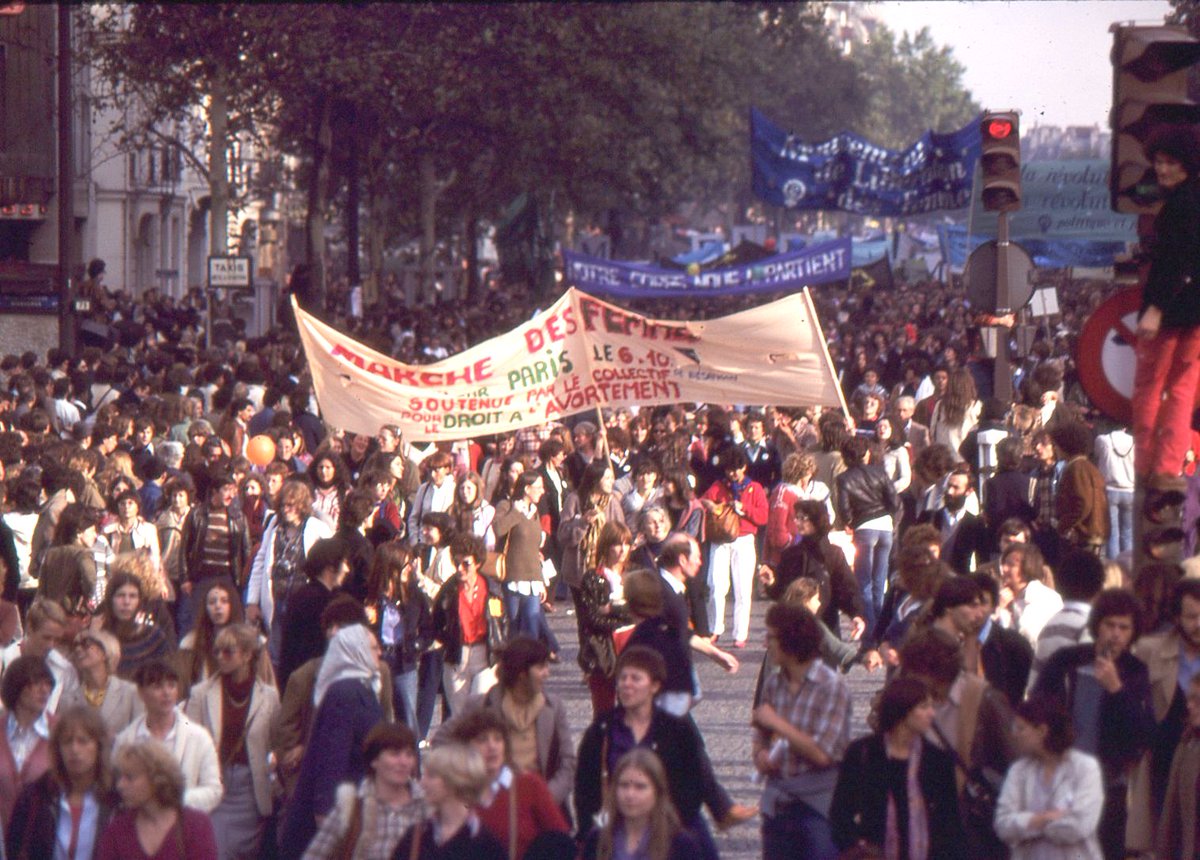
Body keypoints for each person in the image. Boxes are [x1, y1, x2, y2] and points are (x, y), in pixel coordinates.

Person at [1032, 588, 1154, 860]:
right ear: (1097, 625)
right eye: (1110, 625)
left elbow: (1142, 733)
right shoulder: (1067, 661)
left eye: (1124, 628)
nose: (1116, 634)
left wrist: (1117, 690)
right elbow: (1037, 709)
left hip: (1108, 787)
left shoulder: (1135, 671)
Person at [575, 646, 726, 860]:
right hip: (617, 821)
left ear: (654, 685)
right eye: (622, 678)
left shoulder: (675, 727)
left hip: (670, 820)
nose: (627, 685)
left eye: (635, 679)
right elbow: (585, 788)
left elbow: (698, 776)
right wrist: (587, 828)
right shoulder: (602, 730)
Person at [752, 603, 851, 860]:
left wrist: (778, 724)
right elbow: (760, 732)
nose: (766, 643)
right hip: (778, 802)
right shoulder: (774, 683)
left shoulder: (831, 687)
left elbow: (823, 755)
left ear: (791, 640)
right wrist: (760, 754)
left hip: (818, 806)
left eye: (771, 637)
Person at [277, 624, 385, 858]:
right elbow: (332, 756)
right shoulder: (345, 693)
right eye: (374, 648)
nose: (380, 653)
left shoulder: (363, 687)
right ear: (357, 651)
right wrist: (325, 812)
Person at [1132, 125, 1200, 489]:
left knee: (1149, 386)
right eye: (1158, 162)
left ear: (1186, 165)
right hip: (1196, 315)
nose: (1161, 169)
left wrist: (1156, 307)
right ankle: (1169, 466)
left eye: (1169, 162)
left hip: (1171, 312)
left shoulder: (1178, 207)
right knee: (1183, 390)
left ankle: (1146, 464)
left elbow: (1172, 262)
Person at [830, 676, 966, 858]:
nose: (932, 714)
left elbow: (950, 826)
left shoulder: (937, 760)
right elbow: (840, 813)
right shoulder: (863, 753)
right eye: (924, 707)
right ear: (903, 711)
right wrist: (859, 848)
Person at [436, 636, 576, 807]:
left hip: (543, 809)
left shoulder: (553, 708)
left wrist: (545, 798)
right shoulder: (482, 705)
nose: (547, 673)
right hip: (494, 809)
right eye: (541, 668)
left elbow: (568, 762)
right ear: (522, 674)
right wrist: (471, 787)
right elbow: (441, 741)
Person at [184, 623, 280, 859]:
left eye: (228, 652)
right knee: (217, 849)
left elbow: (276, 741)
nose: (220, 657)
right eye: (217, 652)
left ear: (247, 655)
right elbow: (190, 740)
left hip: (251, 787)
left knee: (243, 852)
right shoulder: (201, 693)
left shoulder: (268, 697)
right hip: (215, 782)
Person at [1126, 577, 1200, 853]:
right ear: (1177, 616)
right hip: (1161, 763)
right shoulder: (1150, 651)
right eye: (1192, 617)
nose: (1199, 625)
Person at [447, 708, 573, 860]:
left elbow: (562, 844)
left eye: (498, 739)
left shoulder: (528, 785)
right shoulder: (455, 793)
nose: (492, 746)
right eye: (482, 740)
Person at [993, 695, 1103, 860]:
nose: (1015, 735)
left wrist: (1027, 824)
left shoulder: (1085, 768)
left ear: (1042, 731)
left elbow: (1079, 826)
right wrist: (1044, 818)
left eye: (1021, 728)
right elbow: (1002, 825)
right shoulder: (1018, 771)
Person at [5, 705, 119, 860]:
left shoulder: (117, 797)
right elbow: (14, 846)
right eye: (67, 742)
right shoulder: (37, 795)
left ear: (99, 746)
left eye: (83, 741)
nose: (74, 749)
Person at [301, 723, 426, 860]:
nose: (404, 762)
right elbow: (314, 855)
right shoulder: (351, 808)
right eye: (394, 754)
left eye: (409, 755)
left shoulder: (427, 808)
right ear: (374, 760)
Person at [246, 478, 334, 668]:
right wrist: (252, 601)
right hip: (277, 600)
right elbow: (260, 563)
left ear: (302, 506)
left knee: (304, 655)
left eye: (292, 505)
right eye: (284, 505)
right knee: (275, 656)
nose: (287, 509)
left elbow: (333, 561)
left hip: (305, 602)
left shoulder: (317, 528)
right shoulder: (274, 526)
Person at [114, 660, 223, 814]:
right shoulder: (126, 740)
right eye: (157, 687)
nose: (166, 693)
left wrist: (173, 798)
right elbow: (117, 788)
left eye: (171, 685)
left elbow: (214, 791)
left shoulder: (199, 737)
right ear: (141, 692)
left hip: (183, 824)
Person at [96, 740, 218, 860]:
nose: (120, 785)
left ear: (157, 779)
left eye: (130, 777)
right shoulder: (118, 829)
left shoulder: (195, 825)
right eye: (120, 777)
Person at [431, 533, 508, 716]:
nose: (460, 569)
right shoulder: (448, 591)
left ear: (478, 564)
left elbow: (502, 621)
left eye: (466, 564)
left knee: (478, 707)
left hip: (484, 655)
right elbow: (436, 621)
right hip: (457, 655)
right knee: (459, 715)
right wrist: (444, 640)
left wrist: (500, 650)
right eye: (456, 563)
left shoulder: (491, 590)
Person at [700, 445, 768, 647]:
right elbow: (702, 500)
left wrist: (744, 509)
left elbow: (763, 517)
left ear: (744, 467)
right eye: (729, 469)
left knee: (742, 588)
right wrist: (711, 505)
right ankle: (715, 628)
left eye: (737, 469)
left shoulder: (754, 488)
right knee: (716, 585)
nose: (733, 473)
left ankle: (740, 633)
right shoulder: (718, 486)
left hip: (745, 539)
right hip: (720, 539)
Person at [390, 743, 506, 860]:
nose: (422, 783)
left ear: (455, 780)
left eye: (431, 776)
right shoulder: (415, 837)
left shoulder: (488, 847)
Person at [580, 748, 700, 860]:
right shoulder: (598, 839)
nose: (630, 794)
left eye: (640, 787)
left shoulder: (680, 845)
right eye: (624, 785)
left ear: (657, 792)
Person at [366, 541, 432, 734]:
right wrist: (367, 618)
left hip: (404, 661)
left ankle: (413, 761)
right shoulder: (372, 595)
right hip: (378, 660)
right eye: (406, 564)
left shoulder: (414, 595)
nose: (409, 568)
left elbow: (428, 629)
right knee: (378, 717)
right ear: (391, 567)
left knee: (408, 720)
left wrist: (417, 646)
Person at [835, 436, 899, 631]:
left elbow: (844, 509)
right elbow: (894, 502)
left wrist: (850, 523)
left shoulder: (844, 478)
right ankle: (880, 628)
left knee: (863, 582)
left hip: (863, 527)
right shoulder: (880, 472)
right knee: (880, 582)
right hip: (885, 526)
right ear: (867, 453)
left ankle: (870, 631)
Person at [180, 468, 250, 638]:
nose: (231, 495)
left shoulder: (238, 517)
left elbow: (246, 550)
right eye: (226, 490)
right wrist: (185, 578)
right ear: (214, 492)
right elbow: (184, 548)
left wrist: (243, 580)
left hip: (228, 577)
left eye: (234, 491)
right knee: (196, 624)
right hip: (202, 577)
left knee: (232, 625)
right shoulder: (197, 514)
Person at [492, 471, 556, 654]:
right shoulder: (507, 506)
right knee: (514, 624)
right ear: (527, 489)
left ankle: (530, 665)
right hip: (513, 575)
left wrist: (542, 581)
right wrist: (516, 513)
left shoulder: (535, 512)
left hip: (533, 577)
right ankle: (512, 666)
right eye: (538, 487)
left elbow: (534, 550)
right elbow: (498, 529)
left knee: (532, 624)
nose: (542, 491)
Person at [577, 521, 634, 715]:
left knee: (633, 712)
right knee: (604, 716)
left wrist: (614, 609)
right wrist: (625, 616)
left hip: (632, 649)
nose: (622, 550)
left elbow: (642, 611)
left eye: (627, 544)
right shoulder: (592, 578)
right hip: (604, 652)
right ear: (606, 546)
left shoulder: (634, 575)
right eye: (617, 544)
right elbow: (591, 619)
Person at [279, 537, 350, 687]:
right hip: (309, 687)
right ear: (331, 567)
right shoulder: (321, 602)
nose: (347, 569)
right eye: (344, 563)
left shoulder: (302, 595)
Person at [0, 655, 57, 829]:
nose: (44, 690)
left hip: (40, 838)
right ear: (17, 686)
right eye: (36, 683)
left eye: (48, 684)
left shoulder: (61, 731)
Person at [61, 628, 143, 736]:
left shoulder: (131, 692)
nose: (78, 649)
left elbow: (141, 734)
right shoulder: (67, 700)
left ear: (105, 652)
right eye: (75, 646)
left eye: (86, 644)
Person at [96, 570, 174, 679]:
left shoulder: (154, 638)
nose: (127, 602)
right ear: (110, 600)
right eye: (120, 595)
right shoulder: (98, 637)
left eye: (132, 596)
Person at [1157, 673, 1200, 858]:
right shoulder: (1187, 744)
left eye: (1197, 700)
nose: (1189, 705)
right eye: (1189, 698)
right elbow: (1170, 815)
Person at [928, 368, 981, 463]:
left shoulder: (940, 405)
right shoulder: (976, 406)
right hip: (967, 459)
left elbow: (932, 431)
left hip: (944, 459)